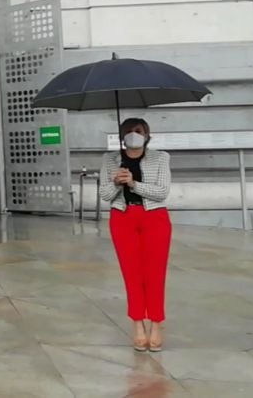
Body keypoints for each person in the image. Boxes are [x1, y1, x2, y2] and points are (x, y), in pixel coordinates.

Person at [98, 118, 172, 352]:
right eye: (128, 131)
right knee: (131, 272)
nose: (133, 134)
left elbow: (162, 192)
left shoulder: (161, 158)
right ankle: (138, 323)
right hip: (123, 218)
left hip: (154, 217)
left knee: (154, 272)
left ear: (147, 135)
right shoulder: (110, 160)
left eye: (138, 131)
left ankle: (157, 323)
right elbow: (104, 195)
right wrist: (117, 183)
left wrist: (134, 184)